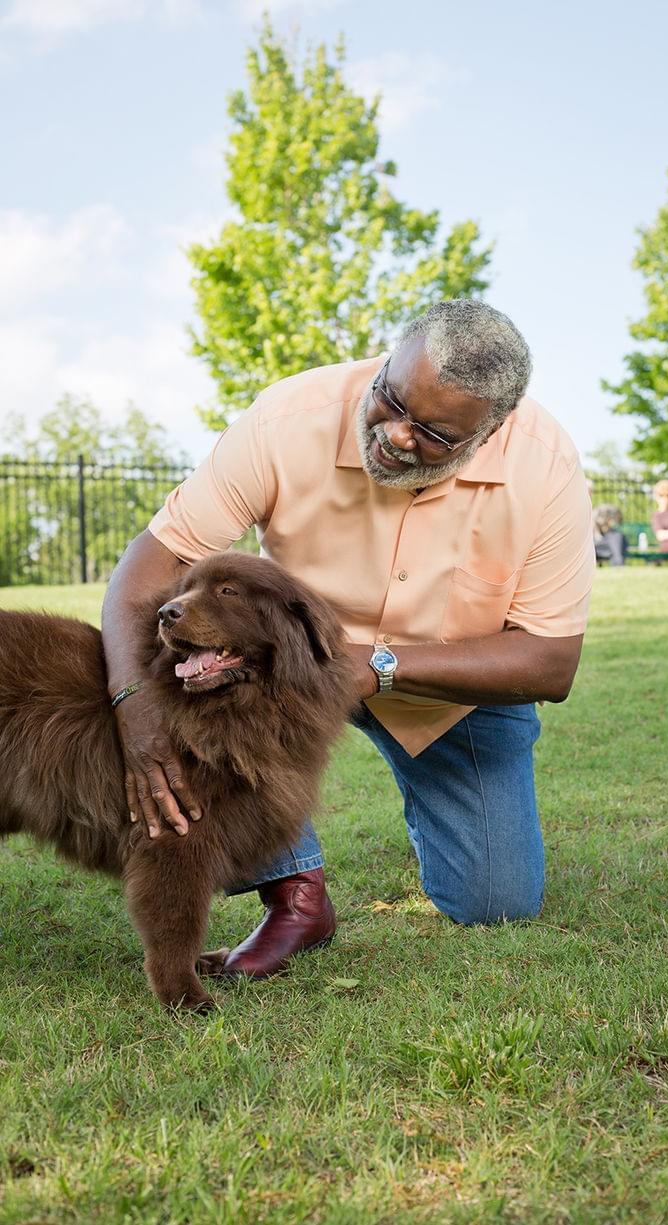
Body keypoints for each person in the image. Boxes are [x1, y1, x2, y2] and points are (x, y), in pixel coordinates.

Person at [101, 300, 594, 980]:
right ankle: (295, 894)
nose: (395, 433)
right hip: (279, 675)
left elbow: (550, 662)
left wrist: (379, 665)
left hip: (445, 689)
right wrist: (133, 704)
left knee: (497, 901)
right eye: (391, 398)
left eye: (433, 434)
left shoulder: (547, 467)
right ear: (389, 360)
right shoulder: (287, 418)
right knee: (187, 696)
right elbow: (146, 570)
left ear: (492, 430)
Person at [592, 501, 627, 566]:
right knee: (615, 538)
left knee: (616, 537)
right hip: (597, 545)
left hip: (604, 544)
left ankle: (618, 561)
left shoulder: (603, 518)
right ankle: (618, 562)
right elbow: (598, 535)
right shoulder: (595, 517)